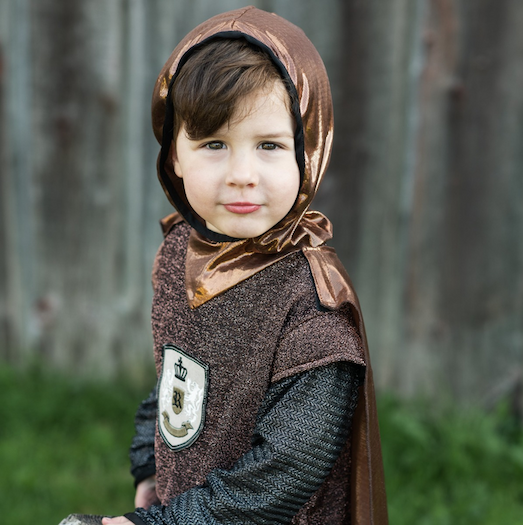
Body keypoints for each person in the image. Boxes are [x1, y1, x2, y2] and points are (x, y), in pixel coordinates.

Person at [101, 6, 388, 525]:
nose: (242, 174)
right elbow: (177, 370)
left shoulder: (313, 307)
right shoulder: (181, 252)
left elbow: (284, 473)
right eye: (214, 144)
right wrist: (149, 464)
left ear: (308, 153)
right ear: (174, 155)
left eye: (269, 145)